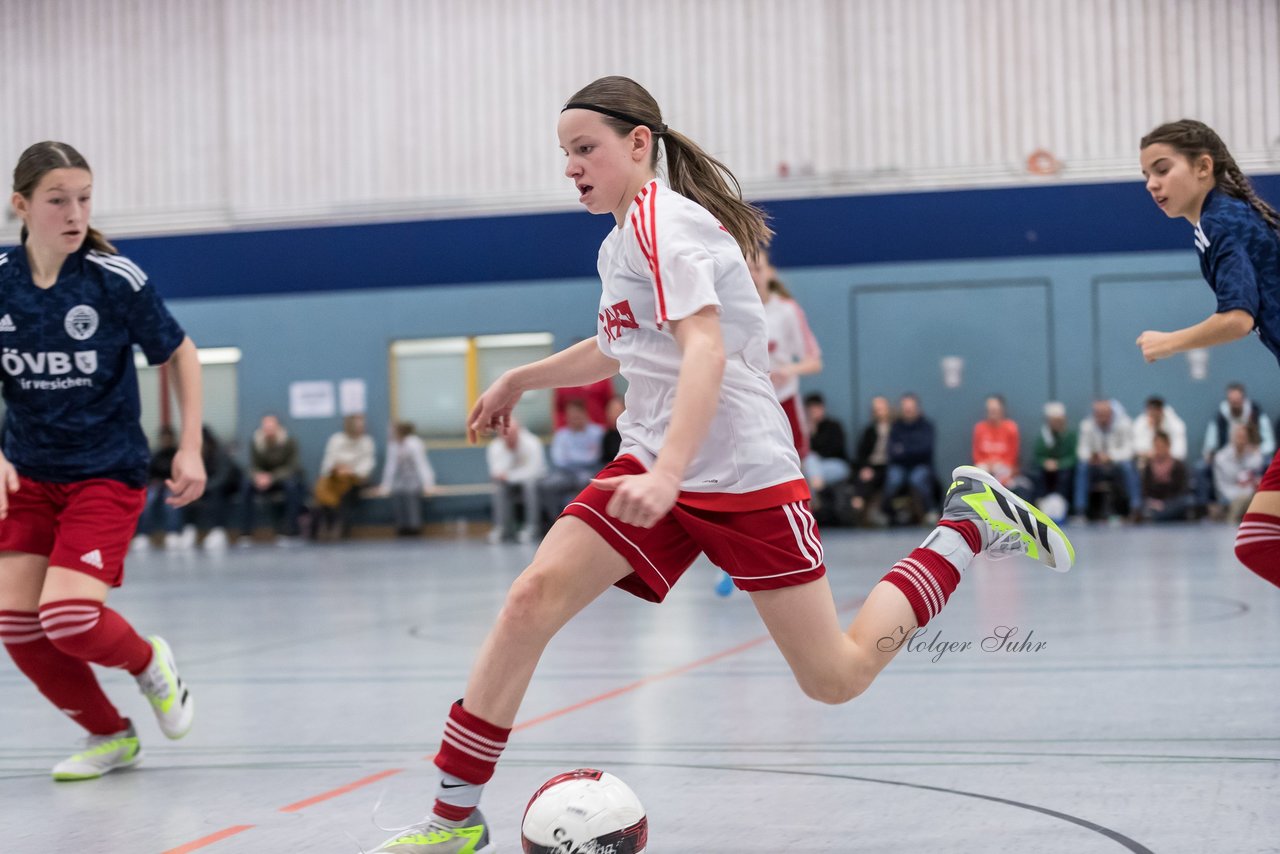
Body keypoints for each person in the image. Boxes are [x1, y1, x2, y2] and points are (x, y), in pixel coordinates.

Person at [365, 76, 1074, 854]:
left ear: (640, 144)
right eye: (564, 153)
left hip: (740, 473)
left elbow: (702, 346)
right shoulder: (621, 238)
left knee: (833, 676)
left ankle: (966, 528)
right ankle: (452, 820)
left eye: (584, 149)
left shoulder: (667, 225)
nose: (570, 166)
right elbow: (619, 346)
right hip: (653, 461)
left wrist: (669, 472)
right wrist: (520, 378)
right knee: (530, 599)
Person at [0, 141, 203, 781]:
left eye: (84, 199)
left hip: (104, 473)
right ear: (21, 206)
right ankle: (108, 735)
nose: (74, 213)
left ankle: (148, 663)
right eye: (57, 200)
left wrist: (190, 446)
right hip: (30, 473)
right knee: (16, 623)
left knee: (66, 617)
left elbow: (181, 352)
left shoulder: (114, 280)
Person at [1137, 119, 1280, 587]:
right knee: (1260, 542)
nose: (1152, 184)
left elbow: (1238, 318)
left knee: (1259, 543)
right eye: (1146, 176)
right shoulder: (1222, 218)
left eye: (1162, 169)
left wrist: (1169, 341)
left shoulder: (1222, 221)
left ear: (1203, 167)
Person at [752, 249, 822, 459]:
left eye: (757, 268)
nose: (753, 275)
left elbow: (814, 362)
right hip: (751, 403)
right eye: (746, 270)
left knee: (794, 462)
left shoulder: (787, 311)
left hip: (784, 400)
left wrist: (788, 369)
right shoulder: (732, 311)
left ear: (770, 272)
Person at [237, 413, 306, 542]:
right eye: (266, 425)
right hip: (262, 480)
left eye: (271, 425)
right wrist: (257, 476)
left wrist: (272, 477)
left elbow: (293, 466)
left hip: (282, 479)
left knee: (292, 487)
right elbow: (253, 465)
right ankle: (245, 533)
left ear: (278, 426)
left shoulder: (289, 441)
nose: (269, 428)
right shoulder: (256, 441)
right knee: (245, 486)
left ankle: (291, 531)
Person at [537, 398, 605, 517]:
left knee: (584, 480)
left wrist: (571, 457)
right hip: (565, 474)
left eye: (576, 414)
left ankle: (583, 519)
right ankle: (555, 520)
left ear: (584, 414)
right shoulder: (561, 435)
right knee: (546, 485)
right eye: (570, 415)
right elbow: (559, 460)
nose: (573, 417)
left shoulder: (597, 432)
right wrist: (583, 456)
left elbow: (595, 457)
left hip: (589, 472)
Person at [313, 413, 376, 540]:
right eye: (357, 425)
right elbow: (328, 461)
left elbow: (367, 465)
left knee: (344, 491)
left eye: (362, 425)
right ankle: (324, 525)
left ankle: (339, 526)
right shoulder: (336, 439)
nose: (360, 427)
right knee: (322, 489)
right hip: (334, 477)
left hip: (355, 480)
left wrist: (350, 471)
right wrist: (336, 470)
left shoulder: (367, 442)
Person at [485, 415, 547, 545]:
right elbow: (496, 473)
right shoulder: (495, 446)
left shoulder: (532, 442)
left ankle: (531, 528)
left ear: (519, 430)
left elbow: (533, 471)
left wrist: (509, 476)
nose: (508, 437)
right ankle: (502, 528)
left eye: (511, 433)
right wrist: (509, 452)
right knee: (499, 486)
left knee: (529, 485)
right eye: (504, 434)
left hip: (536, 482)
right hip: (510, 484)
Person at [1074, 399, 1139, 520]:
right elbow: (1081, 451)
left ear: (1111, 413)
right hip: (1096, 467)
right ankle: (1080, 510)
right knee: (1082, 467)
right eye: (1098, 414)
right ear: (1094, 414)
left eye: (1105, 414)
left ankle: (1135, 509)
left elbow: (1130, 450)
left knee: (1128, 467)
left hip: (1116, 466)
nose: (1102, 417)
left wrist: (1110, 456)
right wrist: (1093, 457)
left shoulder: (1124, 423)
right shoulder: (1087, 425)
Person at [881, 392, 939, 524]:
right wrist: (911, 450)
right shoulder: (896, 426)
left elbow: (925, 450)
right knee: (893, 479)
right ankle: (886, 512)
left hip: (921, 465)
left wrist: (904, 450)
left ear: (917, 408)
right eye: (905, 408)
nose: (908, 410)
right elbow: (892, 450)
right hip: (899, 466)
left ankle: (930, 510)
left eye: (910, 407)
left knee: (917, 479)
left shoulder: (926, 426)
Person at [133, 425, 188, 550]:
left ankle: (173, 532)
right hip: (157, 485)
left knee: (171, 500)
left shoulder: (178, 454)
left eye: (168, 438)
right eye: (163, 438)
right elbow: (148, 473)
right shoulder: (156, 455)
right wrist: (153, 481)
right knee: (148, 500)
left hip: (173, 485)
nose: (166, 441)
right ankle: (144, 533)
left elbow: (182, 473)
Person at [378, 421, 436, 536]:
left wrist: (429, 484)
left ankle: (414, 527)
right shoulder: (393, 445)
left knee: (410, 494)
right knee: (397, 493)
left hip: (414, 478)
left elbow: (422, 465)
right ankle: (401, 526)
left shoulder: (414, 443)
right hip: (399, 479)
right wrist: (386, 485)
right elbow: (390, 467)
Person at [971, 394, 1030, 496]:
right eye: (990, 410)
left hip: (1004, 468)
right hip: (985, 467)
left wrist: (999, 464)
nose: (992, 413)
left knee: (1003, 475)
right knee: (978, 474)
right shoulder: (979, 428)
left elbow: (1013, 456)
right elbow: (976, 455)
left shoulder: (1011, 428)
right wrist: (988, 464)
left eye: (995, 410)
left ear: (1001, 410)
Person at [850, 395, 893, 525]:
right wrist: (865, 467)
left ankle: (879, 511)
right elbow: (862, 454)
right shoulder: (869, 430)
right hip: (873, 465)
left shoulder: (896, 428)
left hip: (890, 466)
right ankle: (858, 505)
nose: (879, 412)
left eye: (881, 408)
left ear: (888, 409)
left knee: (892, 477)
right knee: (864, 477)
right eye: (876, 409)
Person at [1139, 432, 1194, 522]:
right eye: (1157, 446)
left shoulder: (1178, 465)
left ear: (1168, 446)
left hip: (1173, 502)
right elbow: (1145, 490)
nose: (1159, 449)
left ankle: (1162, 515)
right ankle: (1164, 515)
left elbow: (1183, 490)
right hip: (1154, 503)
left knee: (1187, 501)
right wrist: (1155, 503)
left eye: (1161, 446)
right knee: (1142, 506)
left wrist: (1165, 504)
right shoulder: (1149, 466)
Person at [1213, 424, 1263, 524]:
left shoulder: (1254, 456)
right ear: (1232, 437)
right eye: (1238, 436)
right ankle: (1230, 524)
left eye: (1244, 437)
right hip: (1230, 495)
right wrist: (1241, 495)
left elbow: (1256, 479)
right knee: (1241, 500)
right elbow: (1221, 487)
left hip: (1251, 495)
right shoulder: (1221, 458)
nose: (1241, 440)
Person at [1031, 401, 1077, 509]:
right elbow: (1037, 456)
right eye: (1054, 421)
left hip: (1064, 469)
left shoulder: (1070, 435)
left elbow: (1073, 457)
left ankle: (1062, 504)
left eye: (1059, 420)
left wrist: (1059, 464)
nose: (1057, 423)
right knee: (1037, 473)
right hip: (1046, 469)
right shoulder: (1043, 436)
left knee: (1065, 475)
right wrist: (1045, 463)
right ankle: (1039, 503)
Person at [1131, 395, 1188, 465]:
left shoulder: (1176, 425)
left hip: (1170, 464)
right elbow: (1136, 449)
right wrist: (1151, 429)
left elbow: (1180, 453)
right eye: (1150, 412)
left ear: (1161, 411)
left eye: (1156, 411)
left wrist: (1161, 455)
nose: (1153, 415)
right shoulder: (1140, 423)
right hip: (1146, 463)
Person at [600, 395, 625, 465]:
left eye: (616, 410)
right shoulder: (606, 435)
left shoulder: (629, 434)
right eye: (611, 411)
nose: (613, 414)